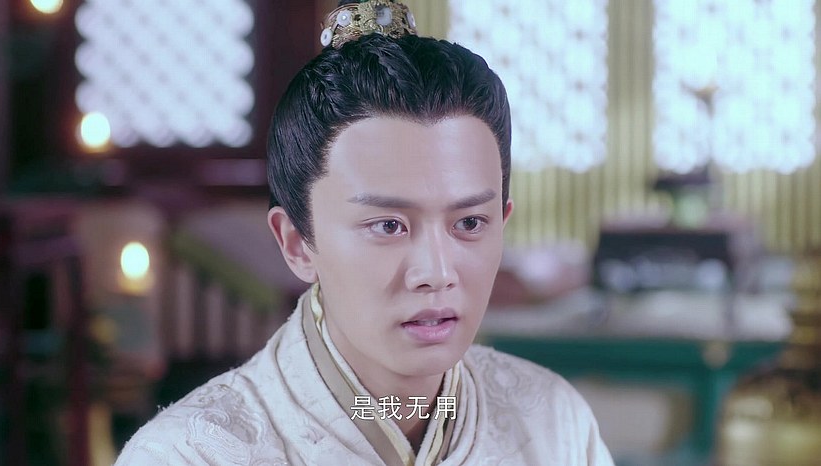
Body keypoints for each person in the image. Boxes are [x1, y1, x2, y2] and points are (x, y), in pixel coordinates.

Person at [115, 1, 614, 464]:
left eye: (468, 223)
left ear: (502, 222)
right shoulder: (189, 455)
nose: (436, 272)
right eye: (389, 225)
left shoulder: (553, 423)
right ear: (296, 242)